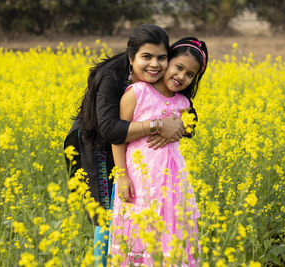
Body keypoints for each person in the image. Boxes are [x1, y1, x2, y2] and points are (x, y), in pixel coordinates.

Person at [64, 25, 198, 266]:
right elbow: (110, 131)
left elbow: (188, 116)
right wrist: (159, 125)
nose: (155, 65)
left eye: (162, 58)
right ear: (131, 57)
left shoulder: (165, 78)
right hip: (99, 145)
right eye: (146, 57)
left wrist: (177, 127)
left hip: (138, 151)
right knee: (107, 214)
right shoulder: (111, 77)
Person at [110, 37, 208, 266]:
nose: (181, 76)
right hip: (139, 182)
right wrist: (121, 176)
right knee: (137, 240)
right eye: (179, 67)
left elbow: (188, 128)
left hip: (173, 185)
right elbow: (118, 136)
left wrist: (180, 128)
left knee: (172, 240)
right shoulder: (138, 93)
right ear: (167, 63)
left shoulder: (184, 104)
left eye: (190, 74)